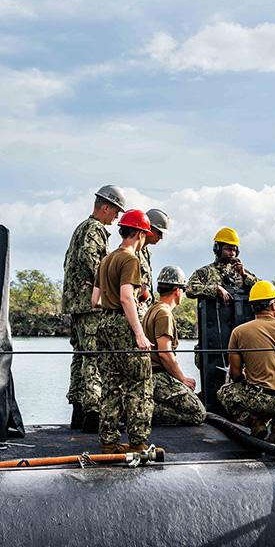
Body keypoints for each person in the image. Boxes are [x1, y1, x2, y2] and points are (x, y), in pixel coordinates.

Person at [61, 184, 126, 432]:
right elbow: (93, 261)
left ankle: (78, 411)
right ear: (105, 207)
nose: (116, 217)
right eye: (116, 211)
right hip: (91, 305)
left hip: (78, 304)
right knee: (94, 356)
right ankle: (93, 412)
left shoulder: (81, 228)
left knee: (80, 356)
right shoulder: (95, 229)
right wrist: (110, 287)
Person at [91, 209, 155, 454]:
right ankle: (138, 442)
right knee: (139, 384)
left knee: (111, 384)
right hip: (123, 324)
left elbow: (95, 301)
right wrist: (139, 334)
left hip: (104, 324)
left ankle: (109, 441)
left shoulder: (106, 260)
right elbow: (126, 298)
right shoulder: (130, 260)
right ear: (139, 233)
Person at [217, 280, 275, 445]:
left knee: (225, 392)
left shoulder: (239, 332)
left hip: (260, 399)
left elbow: (235, 375)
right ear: (273, 305)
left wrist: (247, 378)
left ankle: (255, 423)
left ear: (252, 307)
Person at [142, 265, 206, 426]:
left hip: (149, 375)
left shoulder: (152, 309)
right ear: (177, 291)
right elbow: (165, 353)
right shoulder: (164, 313)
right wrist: (182, 379)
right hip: (157, 376)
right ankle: (143, 411)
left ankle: (142, 406)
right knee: (198, 413)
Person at [186, 227, 258, 302]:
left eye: (234, 250)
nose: (232, 253)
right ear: (218, 249)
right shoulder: (205, 272)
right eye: (228, 249)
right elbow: (189, 289)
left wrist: (244, 275)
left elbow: (263, 288)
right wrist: (216, 289)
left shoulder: (242, 273)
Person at [137, 208, 170, 319]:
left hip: (144, 311)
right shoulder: (132, 251)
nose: (161, 237)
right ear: (148, 228)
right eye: (159, 232)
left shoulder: (145, 252)